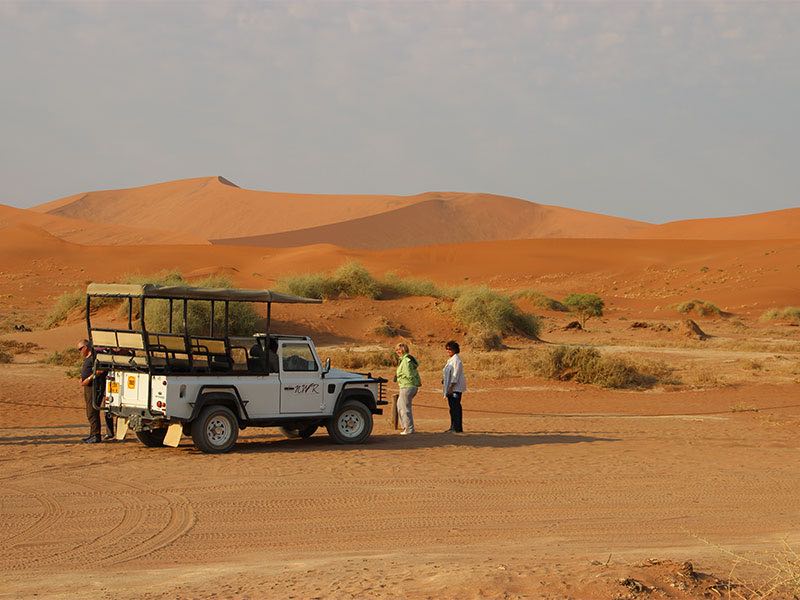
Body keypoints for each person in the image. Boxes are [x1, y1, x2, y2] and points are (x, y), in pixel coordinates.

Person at [394, 342, 421, 435]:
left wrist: (402, 377)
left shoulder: (406, 360)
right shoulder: (406, 359)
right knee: (400, 405)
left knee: (405, 407)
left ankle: (409, 429)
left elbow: (408, 374)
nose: (397, 351)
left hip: (407, 386)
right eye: (396, 350)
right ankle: (405, 426)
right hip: (408, 386)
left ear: (403, 350)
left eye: (398, 349)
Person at [78, 339, 102, 443]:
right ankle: (93, 434)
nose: (79, 352)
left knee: (92, 411)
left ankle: (96, 435)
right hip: (88, 388)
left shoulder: (94, 357)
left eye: (80, 349)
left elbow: (100, 370)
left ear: (85, 348)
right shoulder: (88, 358)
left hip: (93, 387)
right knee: (90, 412)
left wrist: (89, 379)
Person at [442, 340, 466, 433]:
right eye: (447, 349)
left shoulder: (456, 360)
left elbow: (455, 375)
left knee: (455, 407)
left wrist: (451, 387)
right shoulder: (450, 360)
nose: (448, 351)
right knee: (452, 408)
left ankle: (457, 427)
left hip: (455, 388)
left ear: (455, 350)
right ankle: (453, 426)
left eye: (450, 349)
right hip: (450, 387)